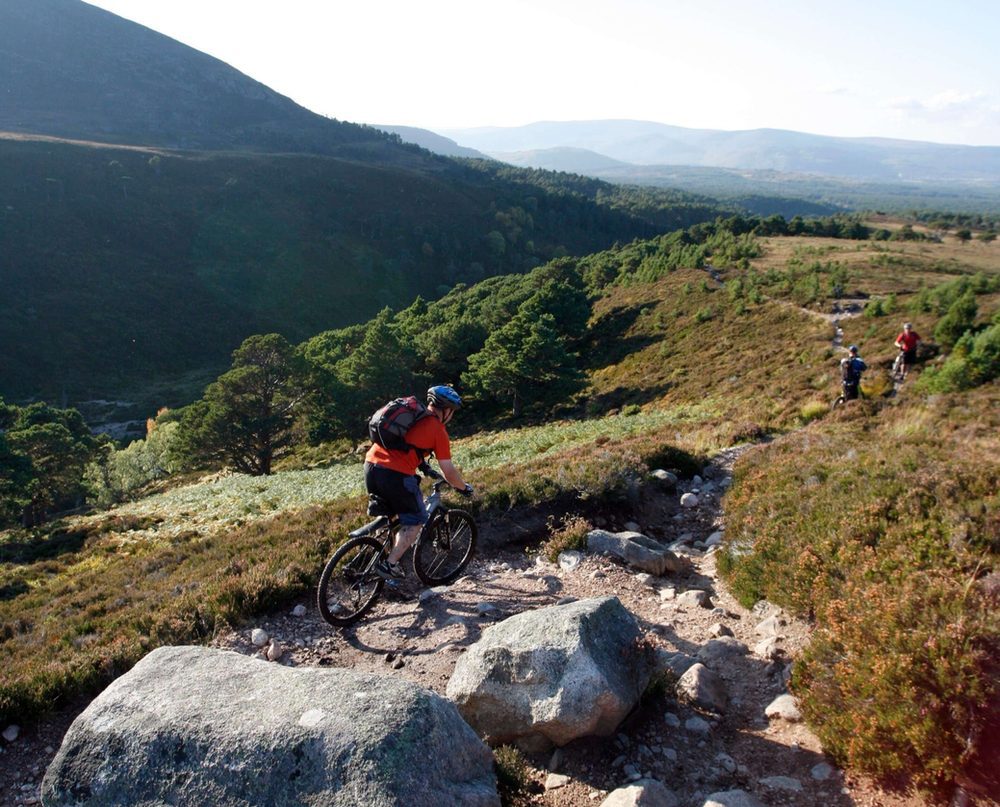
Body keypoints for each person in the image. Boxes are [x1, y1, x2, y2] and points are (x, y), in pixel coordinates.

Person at [364, 385, 472, 580]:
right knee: (415, 520)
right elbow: (449, 470)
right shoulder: (438, 430)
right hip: (395, 474)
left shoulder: (413, 416)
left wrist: (423, 467)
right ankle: (389, 565)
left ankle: (373, 554)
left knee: (392, 514)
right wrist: (463, 488)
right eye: (452, 412)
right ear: (446, 410)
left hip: (371, 466)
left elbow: (408, 445)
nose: (452, 416)